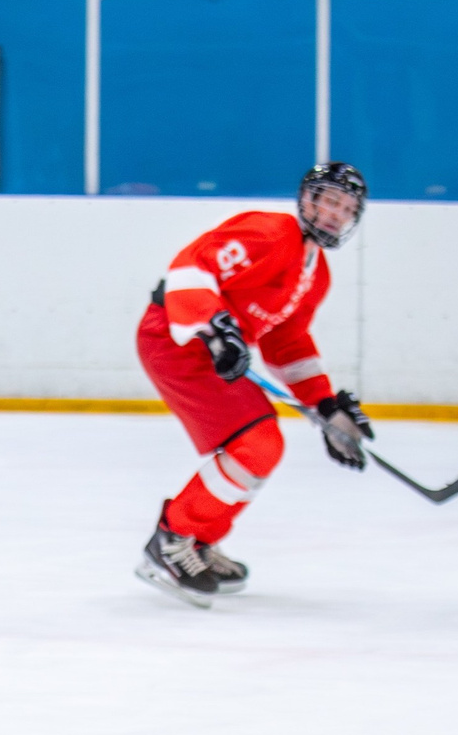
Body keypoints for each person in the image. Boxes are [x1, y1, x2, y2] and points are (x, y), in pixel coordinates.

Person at [133, 162, 374, 607]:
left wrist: (325, 406)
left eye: (345, 208)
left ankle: (198, 540)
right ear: (307, 200)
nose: (334, 214)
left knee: (262, 446)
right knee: (257, 442)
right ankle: (172, 540)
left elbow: (288, 342)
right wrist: (213, 325)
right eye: (328, 201)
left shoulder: (316, 274)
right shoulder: (270, 233)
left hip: (213, 353)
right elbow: (190, 271)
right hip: (175, 339)